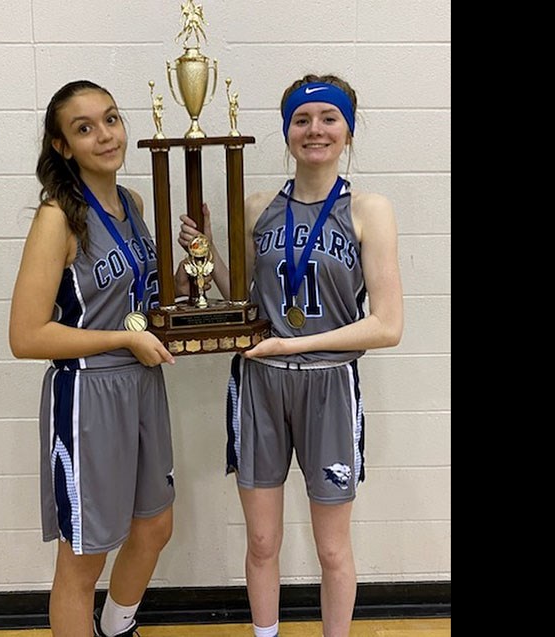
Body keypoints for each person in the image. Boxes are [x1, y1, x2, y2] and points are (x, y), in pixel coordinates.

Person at [177, 73, 403, 637]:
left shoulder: (369, 209)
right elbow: (240, 301)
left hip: (328, 382)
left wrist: (294, 343)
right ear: (286, 132)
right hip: (260, 382)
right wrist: (202, 252)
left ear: (348, 130)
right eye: (301, 120)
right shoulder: (258, 206)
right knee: (261, 540)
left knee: (331, 548)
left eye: (329, 118)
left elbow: (388, 326)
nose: (315, 130)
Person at [9, 80, 181, 637]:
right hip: (88, 392)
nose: (105, 135)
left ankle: (115, 627)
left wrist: (192, 269)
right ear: (63, 146)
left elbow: (143, 301)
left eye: (110, 119)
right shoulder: (57, 217)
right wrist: (120, 340)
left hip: (142, 380)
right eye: (84, 128)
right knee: (83, 559)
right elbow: (26, 336)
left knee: (154, 527)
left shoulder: (130, 204)